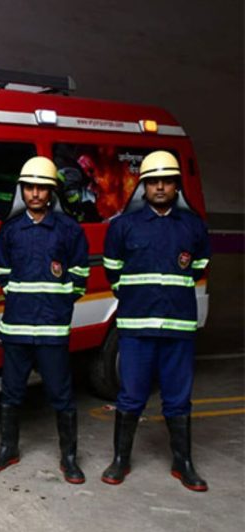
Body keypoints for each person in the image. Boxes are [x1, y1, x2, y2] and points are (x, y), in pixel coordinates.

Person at [101, 150, 210, 492]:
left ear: (177, 186)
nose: (160, 187)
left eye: (167, 181)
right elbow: (112, 272)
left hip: (177, 325)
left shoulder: (193, 225)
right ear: (143, 186)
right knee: (131, 396)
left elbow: (199, 265)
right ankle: (121, 460)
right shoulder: (123, 226)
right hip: (135, 327)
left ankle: (183, 463)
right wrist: (138, 298)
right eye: (153, 182)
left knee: (178, 398)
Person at [0, 156, 89, 484]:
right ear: (22, 191)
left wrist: (57, 304)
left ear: (52, 192)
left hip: (52, 328)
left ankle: (69, 458)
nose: (34, 194)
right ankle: (8, 449)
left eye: (41, 188)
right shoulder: (10, 229)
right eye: (29, 187)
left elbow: (80, 277)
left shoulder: (69, 230)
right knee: (12, 393)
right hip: (16, 327)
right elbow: (3, 276)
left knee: (61, 394)